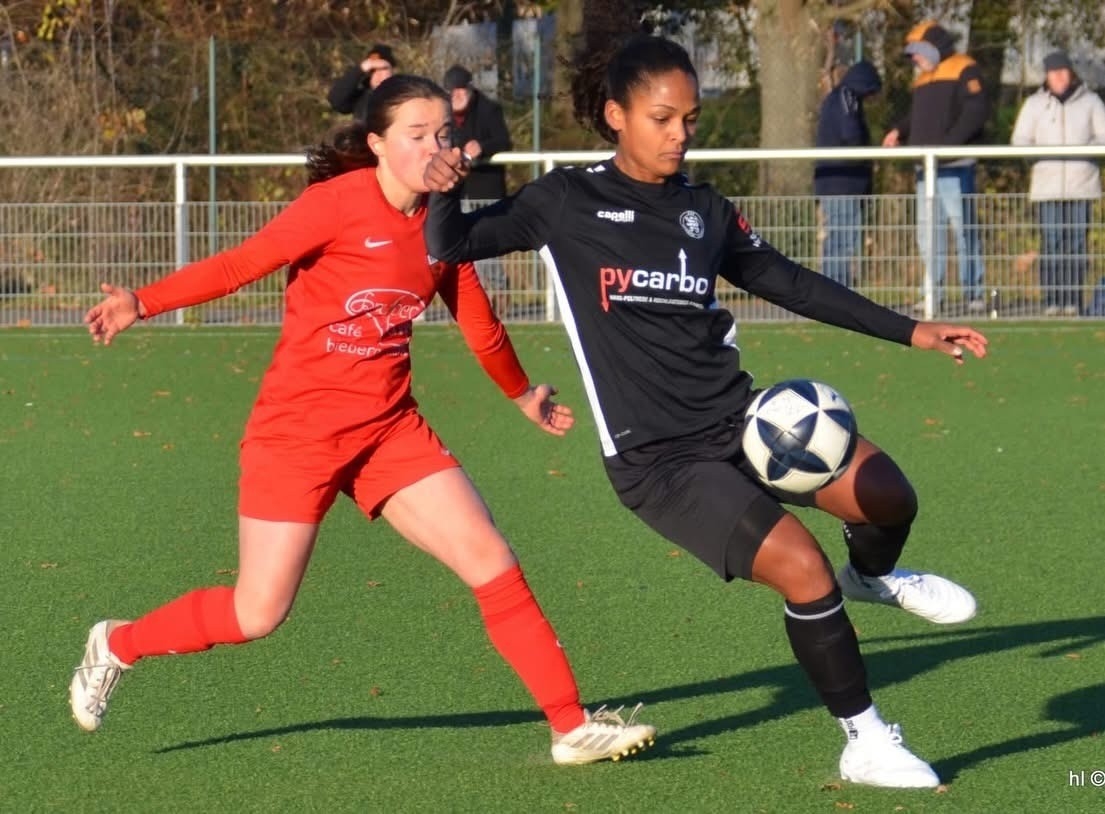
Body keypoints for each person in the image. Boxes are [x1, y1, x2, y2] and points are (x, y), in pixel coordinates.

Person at [423, 35, 989, 789]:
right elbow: (452, 243)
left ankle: (873, 575)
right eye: (662, 118)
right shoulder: (564, 200)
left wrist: (910, 329)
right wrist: (444, 186)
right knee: (802, 568)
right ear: (616, 115)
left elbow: (789, 281)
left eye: (689, 119)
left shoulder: (704, 210)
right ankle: (864, 741)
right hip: (659, 460)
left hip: (742, 421)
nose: (679, 134)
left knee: (888, 495)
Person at [70, 74, 656, 767]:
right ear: (377, 143)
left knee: (490, 557)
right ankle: (117, 643)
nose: (434, 147)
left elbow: (478, 322)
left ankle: (570, 726)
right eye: (416, 134)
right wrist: (143, 301)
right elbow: (239, 265)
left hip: (388, 430)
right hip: (297, 434)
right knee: (257, 613)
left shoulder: (443, 224)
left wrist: (522, 393)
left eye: (443, 134)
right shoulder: (335, 205)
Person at [883, 21, 989, 313]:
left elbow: (976, 112)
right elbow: (917, 117)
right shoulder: (922, 79)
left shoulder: (964, 68)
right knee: (928, 234)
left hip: (956, 168)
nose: (914, 59)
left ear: (932, 47)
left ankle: (974, 293)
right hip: (925, 170)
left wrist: (947, 147)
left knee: (963, 229)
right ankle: (932, 294)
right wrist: (899, 130)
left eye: (916, 52)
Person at [1011, 50, 1105, 316]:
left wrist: (1085, 152)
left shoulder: (1091, 101)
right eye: (1054, 72)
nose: (1059, 77)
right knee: (1051, 243)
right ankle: (1052, 299)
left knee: (1076, 244)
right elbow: (1020, 140)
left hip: (1081, 186)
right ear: (1047, 76)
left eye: (1063, 71)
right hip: (1047, 187)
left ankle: (1073, 300)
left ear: (1071, 73)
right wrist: (1039, 157)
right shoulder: (1034, 104)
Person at [443, 63, 514, 316]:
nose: (457, 95)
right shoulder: (441, 113)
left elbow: (504, 141)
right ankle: (468, 301)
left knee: (483, 247)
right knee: (455, 246)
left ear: (470, 89)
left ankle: (499, 292)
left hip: (484, 190)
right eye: (452, 91)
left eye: (461, 90)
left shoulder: (489, 109)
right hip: (453, 189)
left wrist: (481, 147)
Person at [814, 60, 883, 289]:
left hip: (837, 182)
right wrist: (866, 154)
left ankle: (832, 287)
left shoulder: (840, 98)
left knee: (838, 237)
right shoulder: (846, 98)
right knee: (842, 238)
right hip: (841, 183)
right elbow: (850, 134)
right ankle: (835, 288)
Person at [327, 43, 397, 123]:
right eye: (373, 70)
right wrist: (360, 69)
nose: (378, 75)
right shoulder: (361, 97)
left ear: (392, 71)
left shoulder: (402, 95)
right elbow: (336, 100)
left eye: (382, 69)